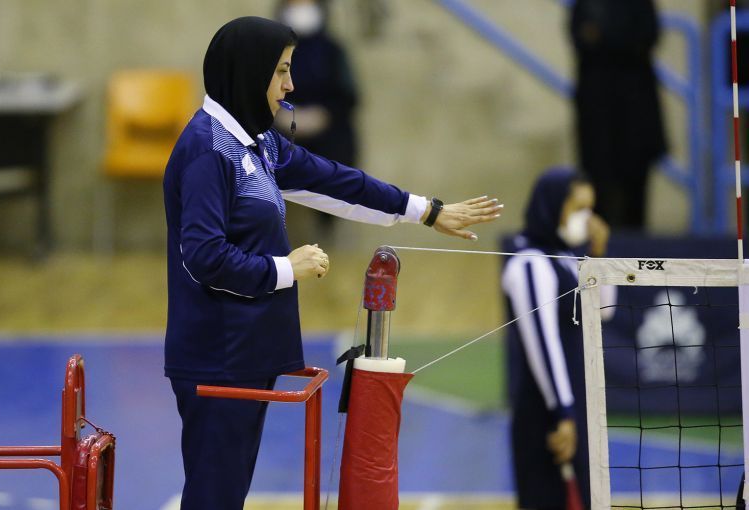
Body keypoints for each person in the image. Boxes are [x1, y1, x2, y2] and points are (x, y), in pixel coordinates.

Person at [162, 16, 503, 510]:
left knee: (226, 495)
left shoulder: (257, 142)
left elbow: (333, 180)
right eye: (281, 71)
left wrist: (427, 211)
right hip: (217, 357)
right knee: (214, 497)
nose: (290, 85)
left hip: (245, 353)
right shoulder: (206, 150)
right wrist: (286, 268)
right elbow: (204, 255)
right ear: (249, 71)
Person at [501, 168, 610, 510]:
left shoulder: (567, 259)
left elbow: (604, 311)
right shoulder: (530, 263)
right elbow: (542, 344)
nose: (586, 219)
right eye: (578, 208)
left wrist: (599, 253)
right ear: (551, 205)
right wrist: (563, 412)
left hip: (576, 404)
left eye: (590, 209)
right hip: (546, 413)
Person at [570, 0, 666, 230]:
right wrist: (618, 37)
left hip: (635, 106)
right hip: (597, 106)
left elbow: (646, 36)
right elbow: (580, 37)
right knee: (597, 177)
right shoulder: (586, 4)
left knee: (635, 184)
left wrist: (605, 36)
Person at [275, 0, 360, 236]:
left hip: (325, 128)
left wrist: (322, 115)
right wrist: (281, 115)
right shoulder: (270, 50)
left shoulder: (332, 50)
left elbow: (348, 97)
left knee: (338, 146)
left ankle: (327, 225)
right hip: (281, 125)